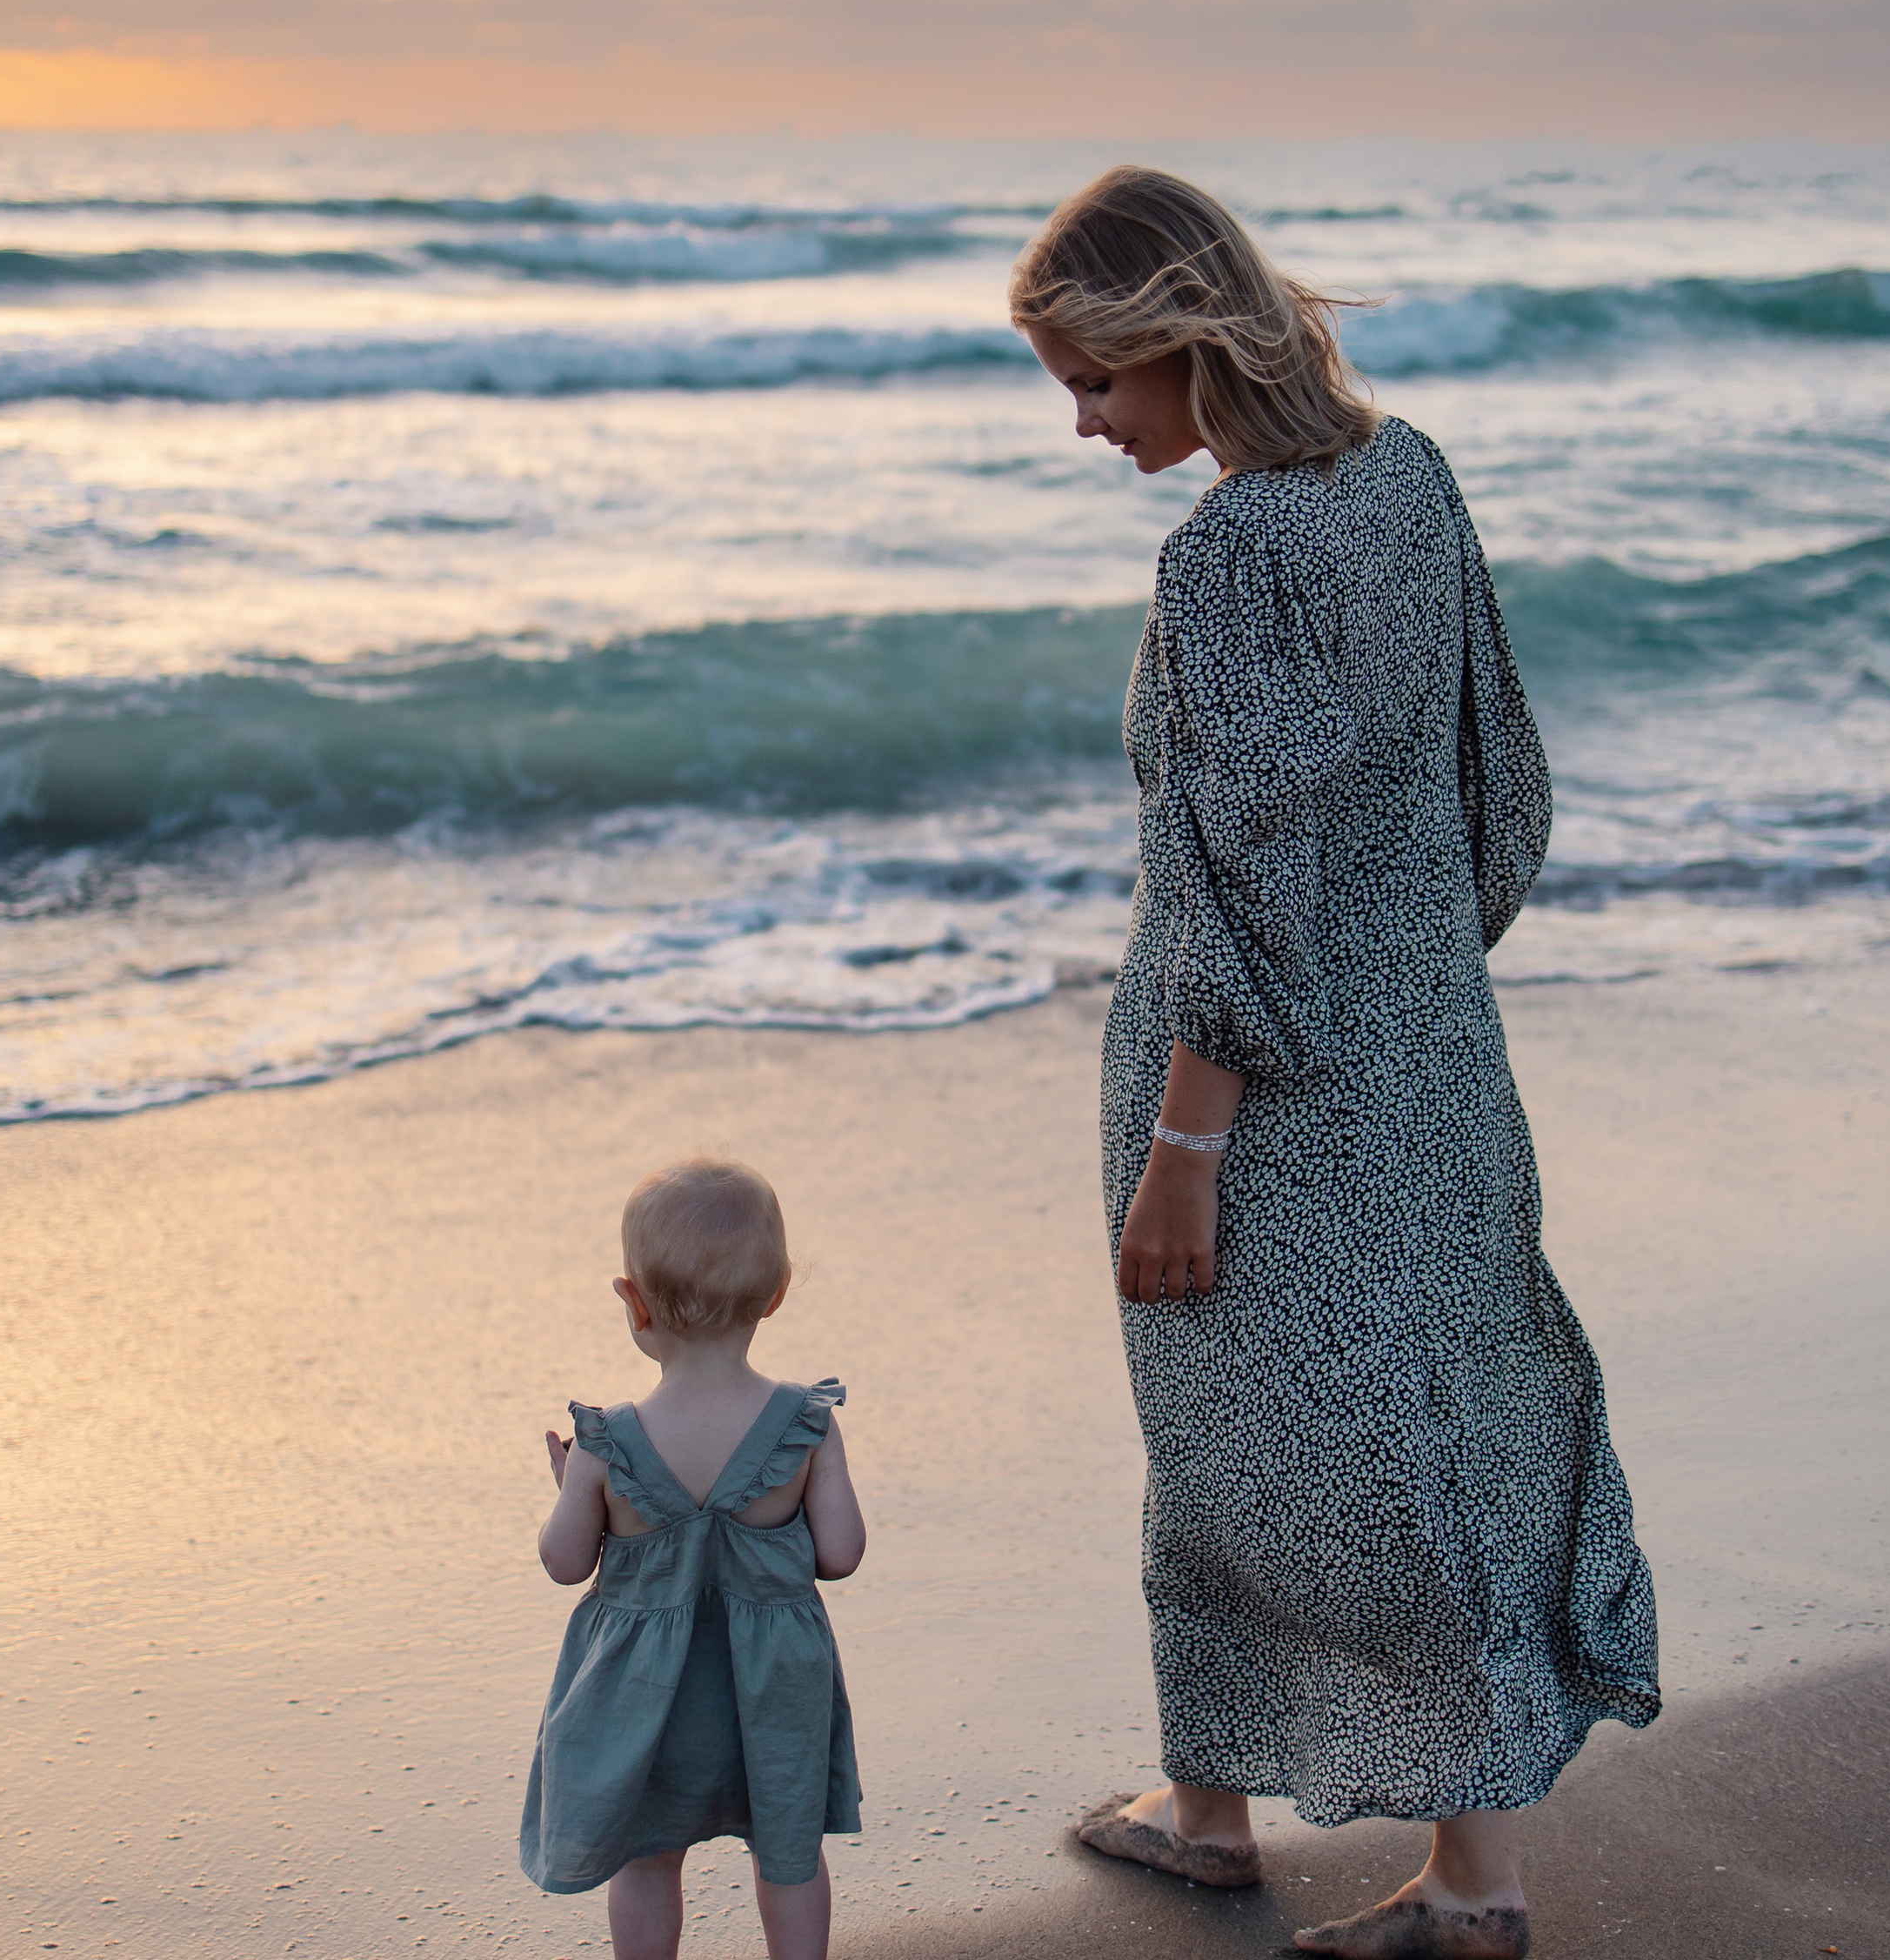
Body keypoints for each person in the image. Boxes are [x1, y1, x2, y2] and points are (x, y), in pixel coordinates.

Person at [1011, 167, 1660, 1960]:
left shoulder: (1231, 549)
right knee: (1390, 1417)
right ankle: (1209, 1798)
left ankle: (1468, 1889)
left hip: (1247, 1090)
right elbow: (1496, 779)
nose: (1083, 423)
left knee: (1339, 1448)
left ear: (1177, 340)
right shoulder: (1407, 475)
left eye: (1094, 383)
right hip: (1424, 1039)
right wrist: (1416, 980)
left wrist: (1185, 1142)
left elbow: (1239, 871)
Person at [520, 1155, 865, 1960]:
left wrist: (572, 1490)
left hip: (649, 1696)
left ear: (632, 1303)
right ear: (776, 1294)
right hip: (776, 1688)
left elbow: (564, 1563)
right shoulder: (806, 1425)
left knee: (645, 1855)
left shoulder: (607, 1443)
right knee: (787, 1851)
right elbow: (841, 1553)